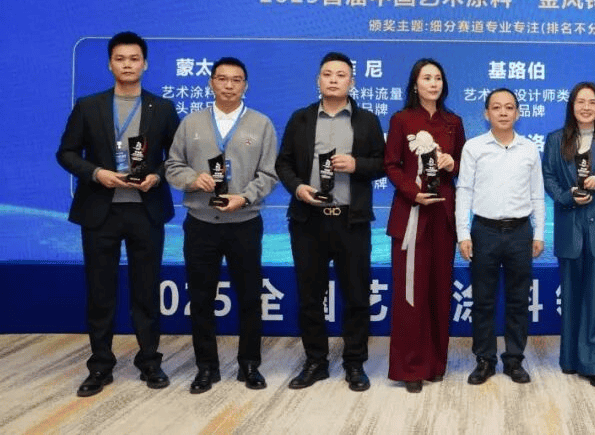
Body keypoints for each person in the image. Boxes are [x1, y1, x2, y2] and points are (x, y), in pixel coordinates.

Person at [57, 31, 180, 397]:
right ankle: (100, 366)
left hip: (146, 211)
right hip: (101, 211)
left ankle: (150, 362)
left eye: (134, 59)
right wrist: (97, 173)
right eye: (120, 59)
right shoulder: (89, 106)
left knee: (146, 290)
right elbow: (66, 153)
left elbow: (177, 157)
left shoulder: (162, 108)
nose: (127, 65)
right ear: (110, 64)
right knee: (100, 292)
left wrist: (157, 176)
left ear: (145, 64)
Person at [164, 57, 278, 394]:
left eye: (236, 80)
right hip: (201, 222)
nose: (229, 85)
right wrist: (191, 178)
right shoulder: (191, 123)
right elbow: (172, 165)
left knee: (249, 297)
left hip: (245, 222)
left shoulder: (261, 124)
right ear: (211, 83)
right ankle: (206, 367)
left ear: (246, 85)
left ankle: (249, 364)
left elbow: (269, 173)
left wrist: (245, 197)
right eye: (222, 79)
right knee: (200, 298)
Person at [275, 52, 386, 392]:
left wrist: (356, 165)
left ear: (352, 81)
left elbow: (383, 164)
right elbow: (283, 164)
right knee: (310, 297)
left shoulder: (367, 121)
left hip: (351, 222)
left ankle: (354, 363)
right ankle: (315, 362)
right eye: (327, 74)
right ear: (318, 80)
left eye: (341, 74)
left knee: (356, 296)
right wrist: (298, 188)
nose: (334, 79)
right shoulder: (301, 118)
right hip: (309, 221)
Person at [383, 59, 465, 393]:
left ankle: (435, 364)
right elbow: (391, 164)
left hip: (443, 214)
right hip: (411, 215)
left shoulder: (453, 122)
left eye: (438, 78)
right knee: (410, 294)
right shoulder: (402, 119)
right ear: (415, 84)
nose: (433, 83)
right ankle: (410, 368)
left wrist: (452, 162)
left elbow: (464, 165)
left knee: (439, 291)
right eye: (426, 77)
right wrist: (412, 191)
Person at [456, 88, 545, 385]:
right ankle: (484, 360)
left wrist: (539, 233)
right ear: (486, 113)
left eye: (509, 107)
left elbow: (537, 194)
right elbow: (464, 191)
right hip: (484, 231)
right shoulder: (473, 148)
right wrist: (463, 233)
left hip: (520, 231)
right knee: (483, 301)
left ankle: (514, 360)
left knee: (518, 300)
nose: (503, 112)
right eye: (496, 107)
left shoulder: (529, 149)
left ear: (518, 113)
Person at [542, 82, 595, 388]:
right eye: (581, 102)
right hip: (570, 226)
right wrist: (567, 196)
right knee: (572, 296)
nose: (586, 107)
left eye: (592, 102)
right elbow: (548, 177)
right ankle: (571, 358)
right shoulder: (555, 139)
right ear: (572, 106)